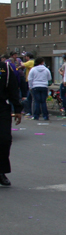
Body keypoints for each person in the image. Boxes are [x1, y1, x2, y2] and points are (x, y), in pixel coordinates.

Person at [0, 57, 22, 186]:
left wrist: (18, 109)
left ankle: (1, 171)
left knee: (4, 139)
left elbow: (13, 89)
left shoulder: (5, 68)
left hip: (2, 107)